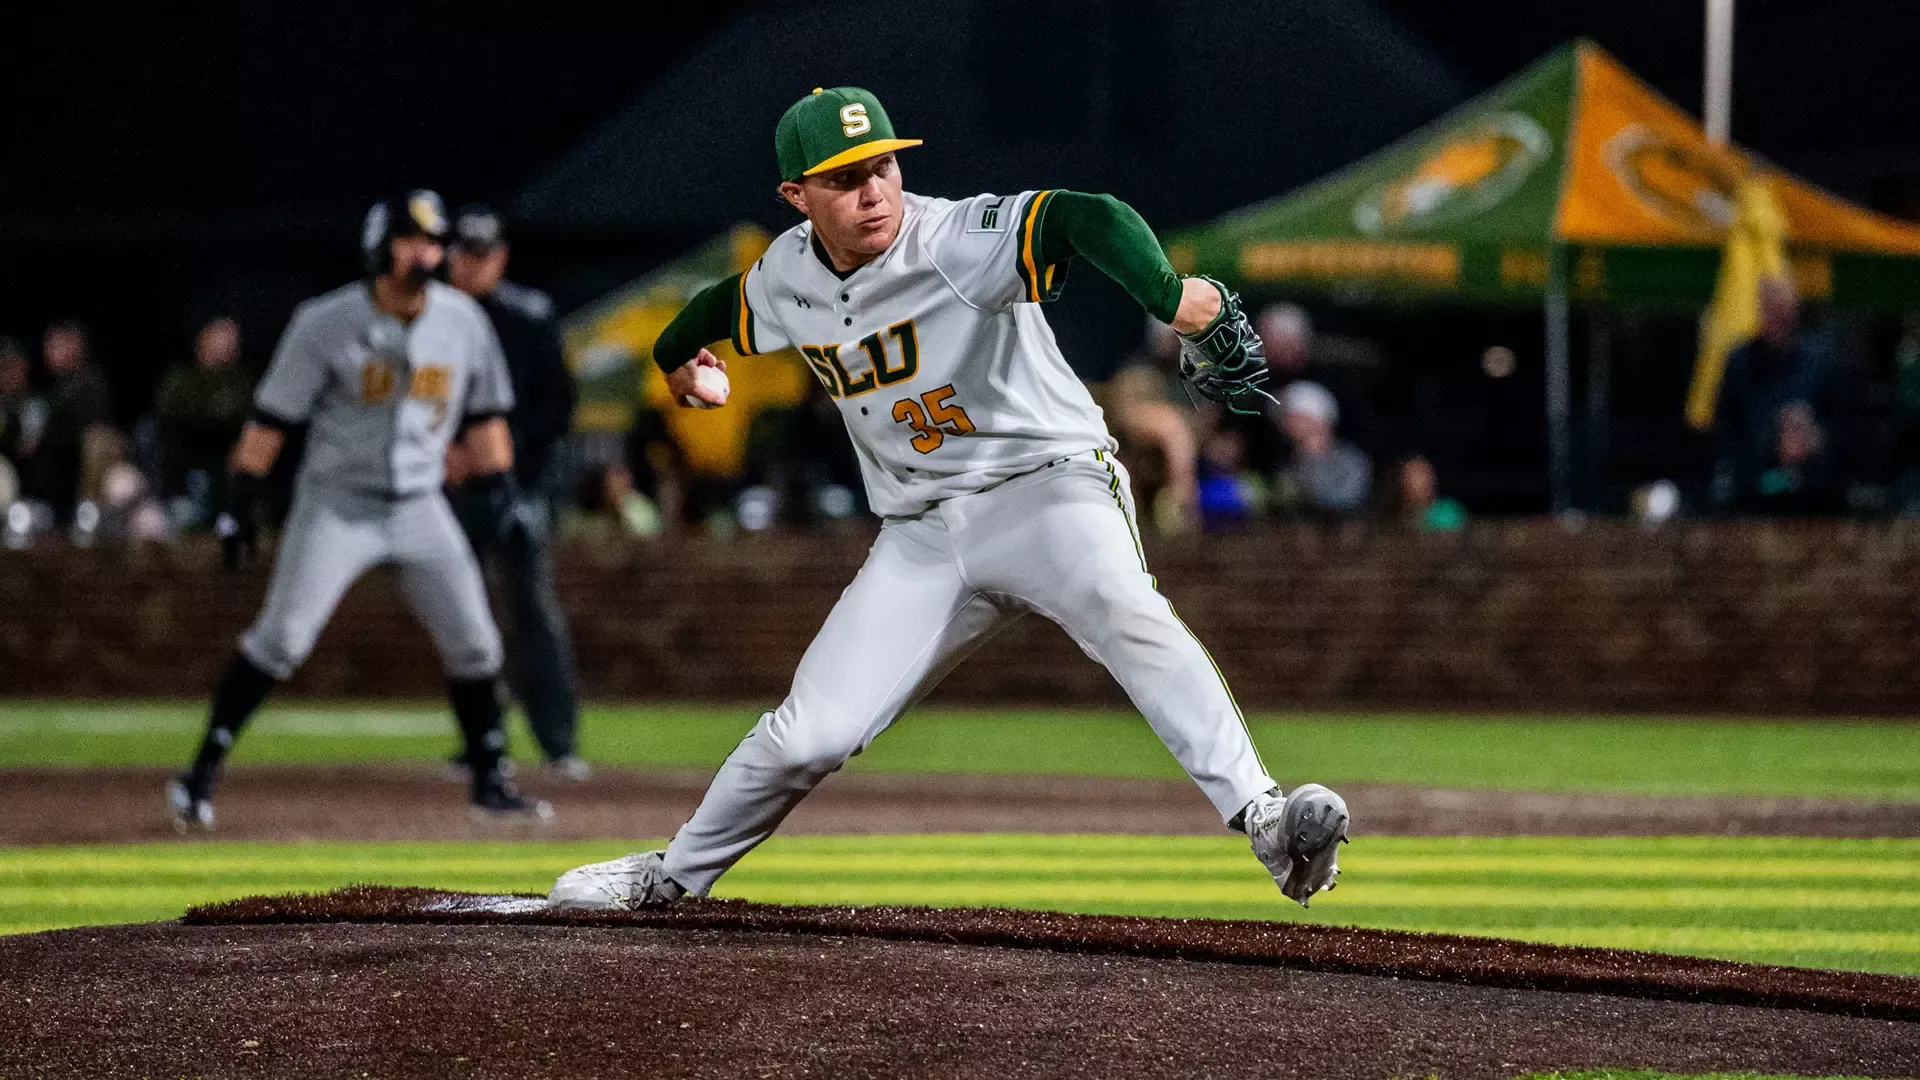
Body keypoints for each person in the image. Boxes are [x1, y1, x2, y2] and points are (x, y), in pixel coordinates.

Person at [548, 87, 1348, 911]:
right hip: (920, 532)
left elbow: (1090, 216)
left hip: (1047, 487)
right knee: (809, 734)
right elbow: (714, 310)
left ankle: (1264, 817)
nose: (873, 191)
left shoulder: (955, 241)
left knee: (1123, 606)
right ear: (796, 195)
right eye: (845, 177)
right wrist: (678, 360)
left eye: (883, 166)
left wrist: (1170, 298)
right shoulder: (788, 273)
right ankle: (674, 875)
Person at [166, 189, 549, 831]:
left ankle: (490, 782)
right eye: (409, 240)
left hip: (420, 501)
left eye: (433, 242)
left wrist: (504, 490)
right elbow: (271, 419)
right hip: (339, 503)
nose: (424, 254)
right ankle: (199, 774)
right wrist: (239, 499)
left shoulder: (462, 321)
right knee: (283, 638)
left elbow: (485, 418)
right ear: (379, 246)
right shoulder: (325, 321)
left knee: (476, 642)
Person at [445, 205, 587, 779]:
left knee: (533, 610)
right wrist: (446, 451)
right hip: (451, 485)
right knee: (462, 617)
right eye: (464, 254)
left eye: (482, 254)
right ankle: (481, 742)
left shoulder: (529, 315)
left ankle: (559, 743)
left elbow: (558, 406)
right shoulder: (433, 316)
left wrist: (500, 454)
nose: (473, 265)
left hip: (521, 485)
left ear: (500, 257)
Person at [1711, 277, 1843, 514]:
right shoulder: (1741, 363)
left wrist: (1815, 438)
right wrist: (1765, 450)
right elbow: (1725, 427)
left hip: (1814, 495)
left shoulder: (1821, 363)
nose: (1778, 318)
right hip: (1753, 493)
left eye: (1784, 310)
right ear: (1760, 311)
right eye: (1771, 309)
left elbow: (1843, 425)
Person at [154, 316, 254, 525]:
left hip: (229, 461)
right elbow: (174, 420)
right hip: (186, 461)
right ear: (204, 340)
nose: (229, 344)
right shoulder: (180, 379)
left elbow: (248, 418)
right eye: (222, 337)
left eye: (233, 340)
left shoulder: (242, 381)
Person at [25, 321, 113, 524]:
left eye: (56, 345)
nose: (48, 352)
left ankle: (87, 514)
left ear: (74, 346)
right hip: (58, 473)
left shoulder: (89, 382)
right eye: (47, 346)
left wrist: (40, 438)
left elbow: (86, 429)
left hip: (81, 469)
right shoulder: (51, 386)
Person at [1276, 380, 1372, 516]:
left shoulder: (1352, 462)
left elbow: (1348, 499)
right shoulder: (1286, 462)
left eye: (1296, 417)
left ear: (1317, 419)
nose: (1287, 423)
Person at [1398, 454, 1465, 531]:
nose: (1419, 482)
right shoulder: (1400, 514)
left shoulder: (1448, 512)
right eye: (1410, 476)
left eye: (1422, 474)